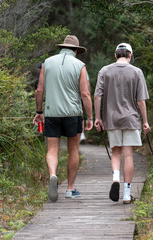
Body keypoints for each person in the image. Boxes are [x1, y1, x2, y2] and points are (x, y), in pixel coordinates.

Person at [33, 35, 93, 202]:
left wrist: (39, 111)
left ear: (62, 47)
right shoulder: (80, 65)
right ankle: (70, 189)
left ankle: (53, 174)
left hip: (52, 113)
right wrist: (90, 117)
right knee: (73, 149)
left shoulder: (47, 63)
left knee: (52, 150)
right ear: (76, 50)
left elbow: (39, 90)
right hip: (73, 114)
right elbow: (85, 93)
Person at [94, 43, 150, 204]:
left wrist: (98, 118)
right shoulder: (136, 72)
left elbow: (98, 96)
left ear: (115, 55)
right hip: (131, 119)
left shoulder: (104, 71)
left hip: (111, 119)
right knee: (128, 155)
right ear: (130, 56)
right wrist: (145, 122)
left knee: (116, 153)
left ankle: (115, 177)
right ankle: (126, 194)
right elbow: (141, 101)